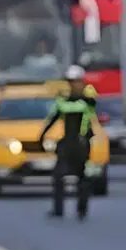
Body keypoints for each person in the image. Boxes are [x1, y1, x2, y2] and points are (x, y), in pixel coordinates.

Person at [38, 65, 98, 220]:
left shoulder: (88, 101)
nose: (73, 84)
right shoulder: (63, 102)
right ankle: (58, 210)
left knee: (83, 178)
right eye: (71, 81)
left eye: (76, 81)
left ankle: (82, 210)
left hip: (82, 143)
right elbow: (52, 119)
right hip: (67, 143)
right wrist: (42, 136)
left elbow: (91, 108)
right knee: (58, 177)